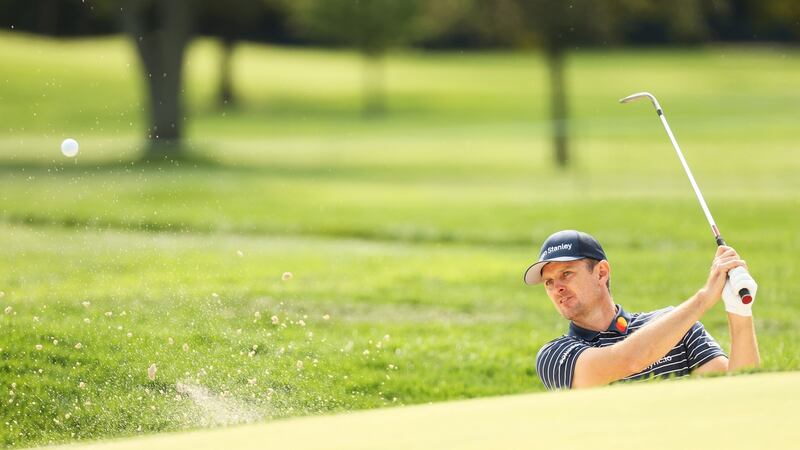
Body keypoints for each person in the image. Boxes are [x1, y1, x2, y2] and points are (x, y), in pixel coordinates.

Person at [524, 230, 760, 390]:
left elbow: (737, 389)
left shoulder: (676, 325)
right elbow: (628, 360)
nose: (558, 288)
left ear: (601, 273)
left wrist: (739, 310)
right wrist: (703, 299)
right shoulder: (554, 355)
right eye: (549, 282)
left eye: (566, 274)